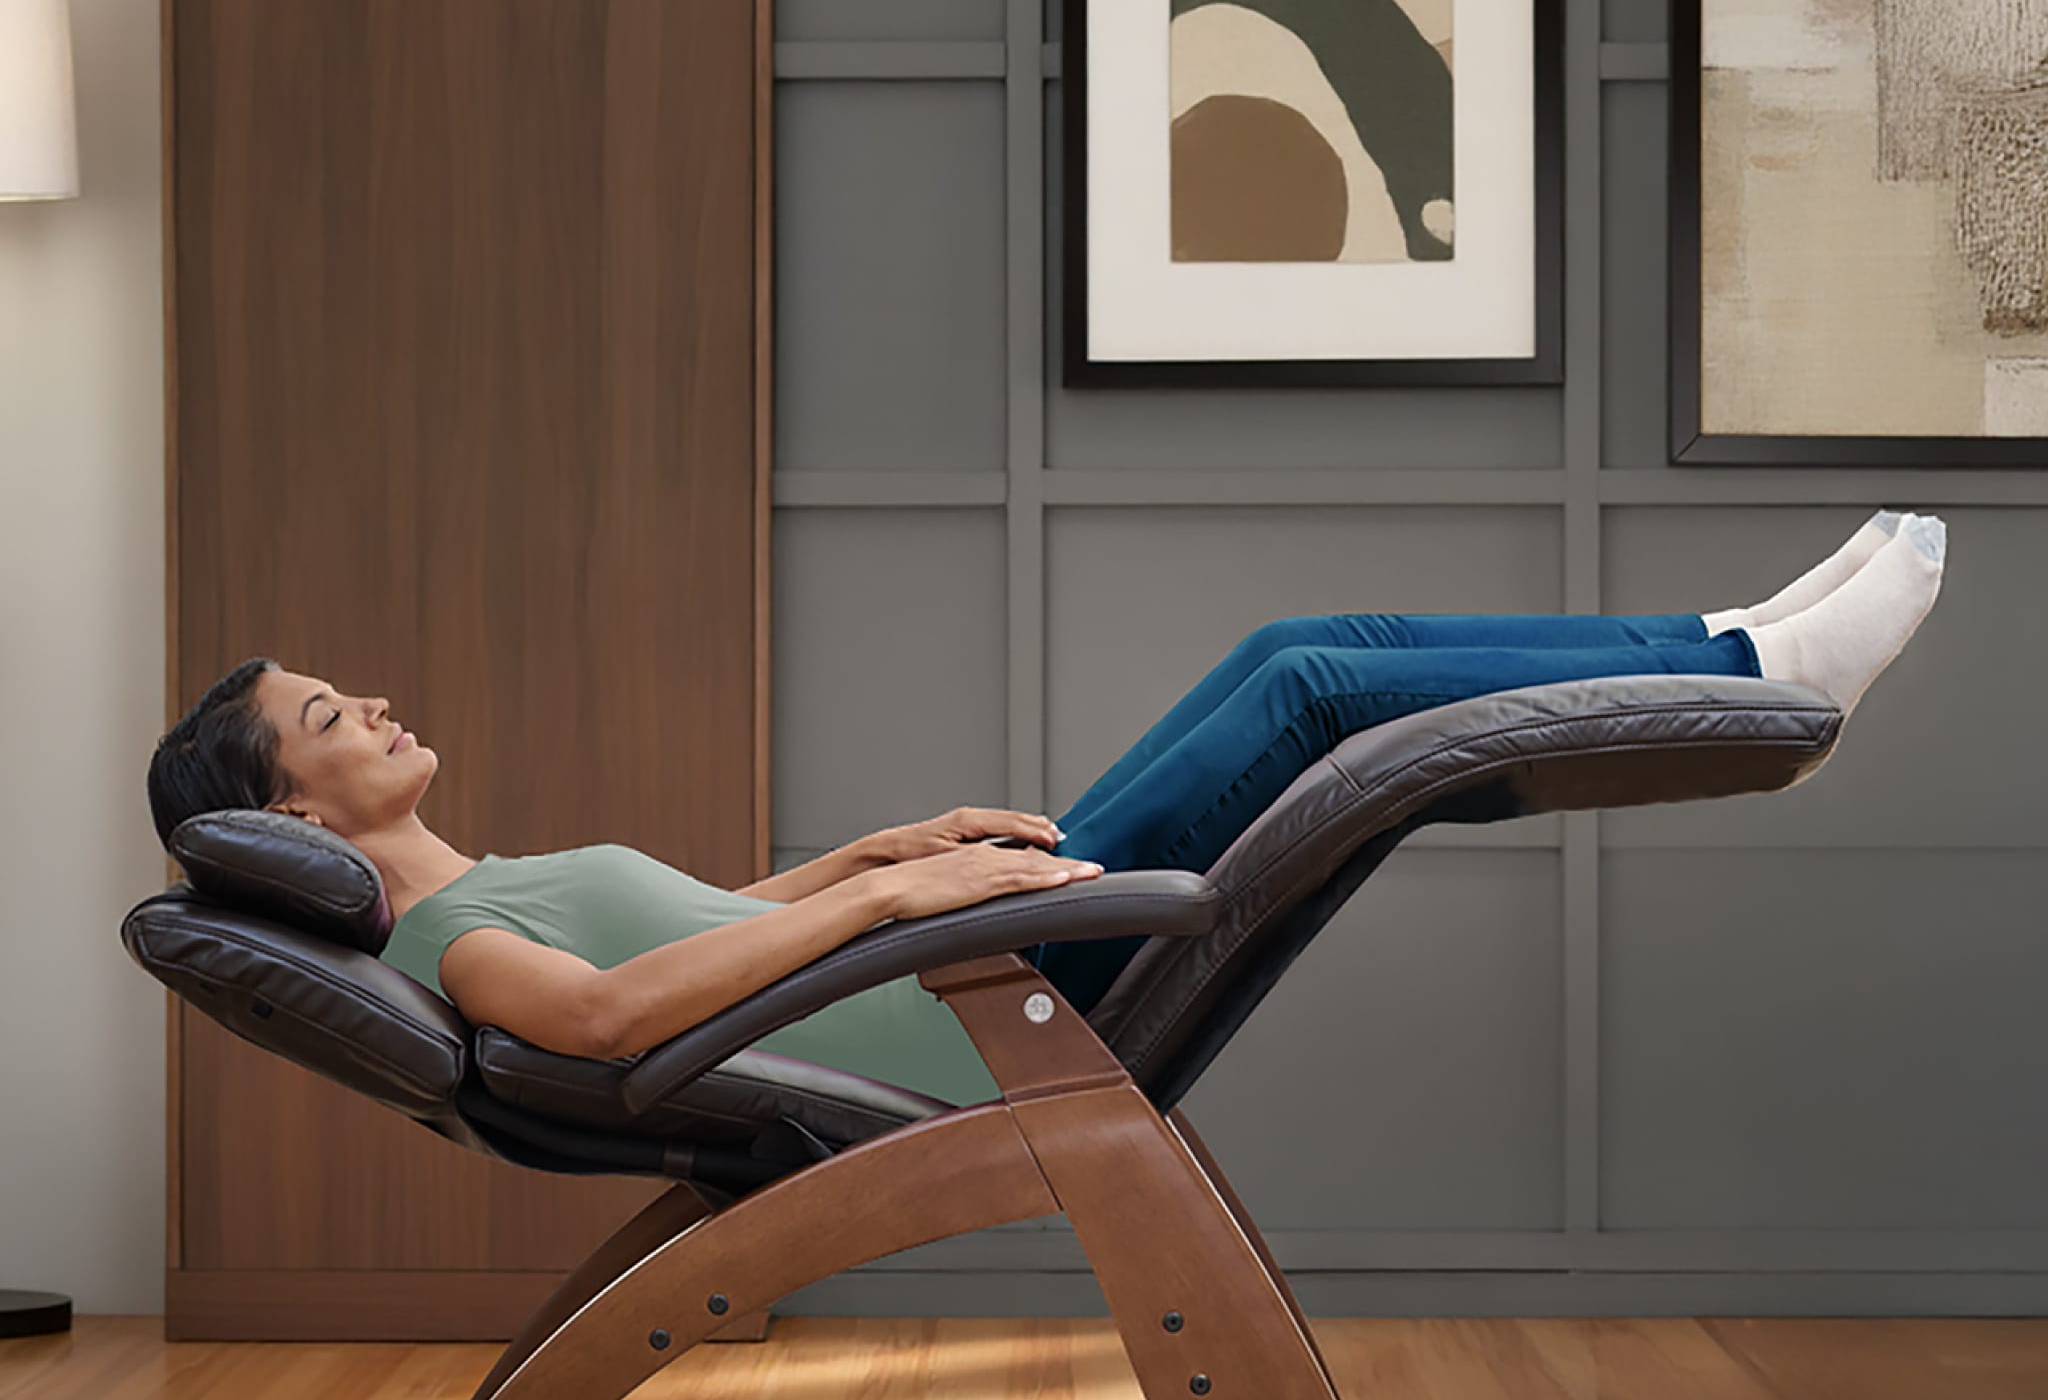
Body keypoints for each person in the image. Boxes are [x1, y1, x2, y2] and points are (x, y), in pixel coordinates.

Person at [145, 511, 1947, 1105]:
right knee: (1311, 682)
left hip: (964, 958)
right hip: (994, 1012)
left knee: (1328, 674)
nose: (369, 704)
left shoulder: (494, 884)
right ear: (291, 804)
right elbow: (617, 1023)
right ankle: (1740, 664)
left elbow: (702, 933)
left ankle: (1744, 654)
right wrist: (887, 910)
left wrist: (872, 854)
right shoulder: (462, 943)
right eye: (328, 716)